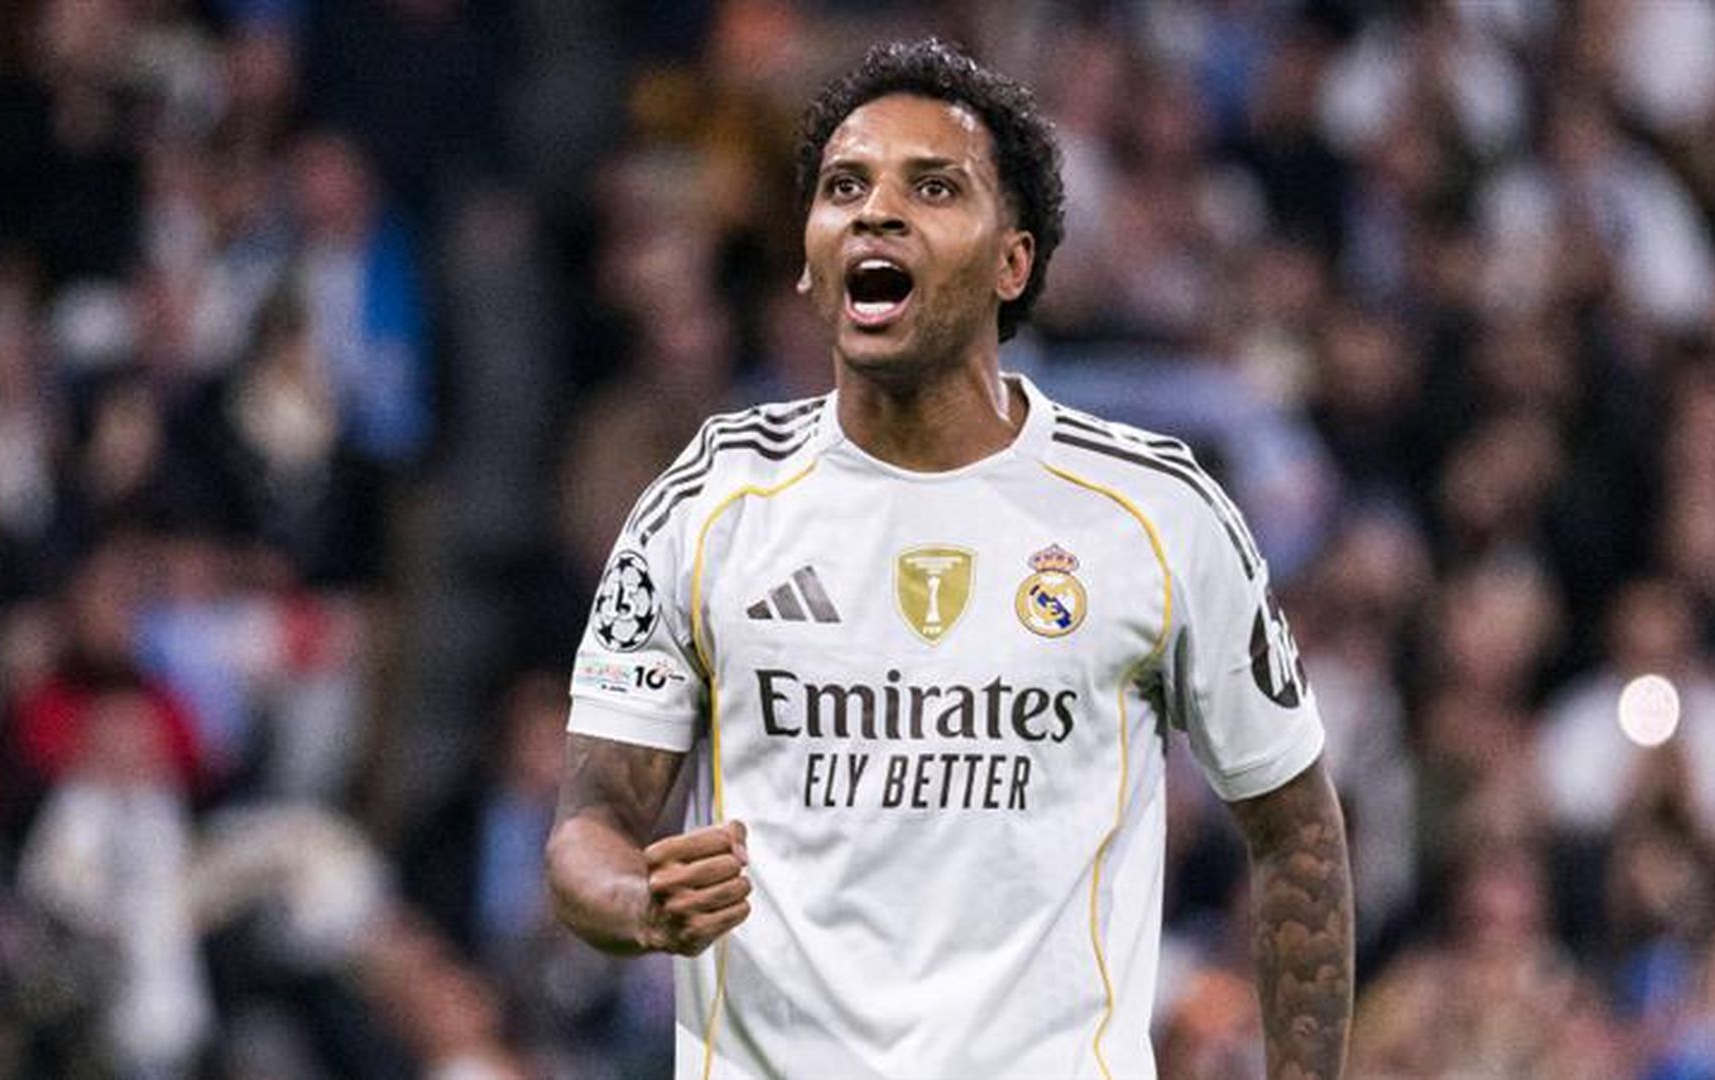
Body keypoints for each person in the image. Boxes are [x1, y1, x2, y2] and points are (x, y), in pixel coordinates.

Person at [547, 39, 1353, 1080]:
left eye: (933, 187)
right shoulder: (705, 505)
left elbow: (1297, 833)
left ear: (1013, 261)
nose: (877, 212)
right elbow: (590, 828)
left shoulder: (1158, 515)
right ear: (809, 254)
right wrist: (639, 902)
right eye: (846, 187)